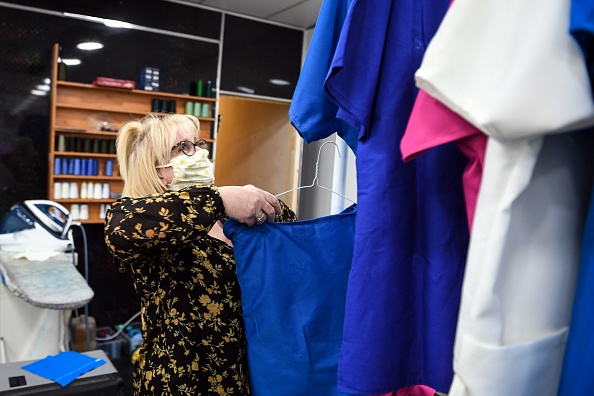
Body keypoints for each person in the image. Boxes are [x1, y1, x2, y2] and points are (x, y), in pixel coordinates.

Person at [104, 113, 296, 395]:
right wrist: (220, 199)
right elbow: (119, 228)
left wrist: (268, 209)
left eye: (198, 143)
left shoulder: (225, 222)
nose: (199, 153)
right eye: (183, 147)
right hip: (182, 381)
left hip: (244, 374)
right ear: (157, 169)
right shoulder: (148, 226)